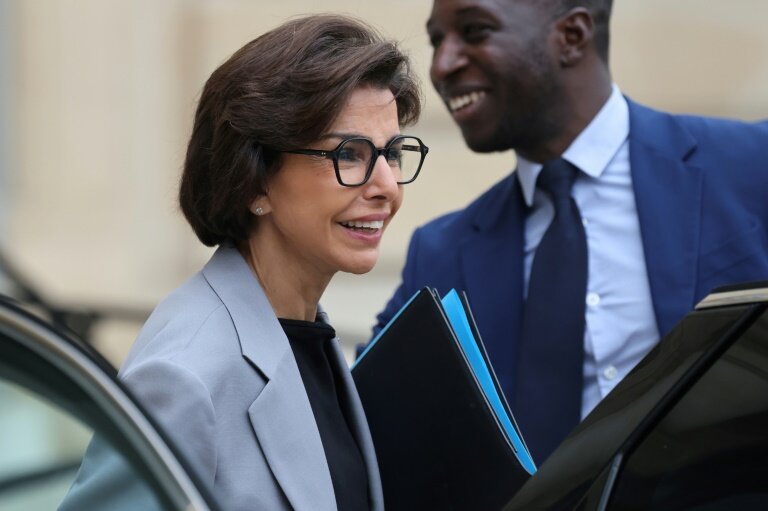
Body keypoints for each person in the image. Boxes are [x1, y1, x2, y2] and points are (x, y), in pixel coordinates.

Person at [374, 0, 768, 465]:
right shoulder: (440, 253)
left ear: (573, 36)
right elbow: (365, 417)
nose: (442, 65)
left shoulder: (750, 166)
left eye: (474, 31)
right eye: (438, 40)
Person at [60, 14, 426, 511]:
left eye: (393, 153)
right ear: (254, 182)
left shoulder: (305, 334)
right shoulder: (186, 373)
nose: (386, 186)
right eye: (349, 153)